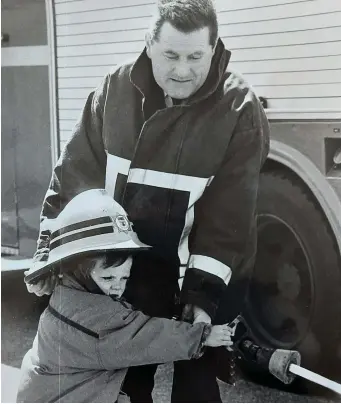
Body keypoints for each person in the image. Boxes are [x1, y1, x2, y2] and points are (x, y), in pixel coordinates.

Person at [26, 0, 270, 401]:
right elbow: (72, 178)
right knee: (123, 385)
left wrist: (202, 297)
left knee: (196, 385)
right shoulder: (114, 89)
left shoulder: (239, 108)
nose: (182, 71)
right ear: (149, 44)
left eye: (196, 57)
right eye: (170, 55)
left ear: (214, 48)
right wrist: (47, 260)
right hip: (127, 275)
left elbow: (231, 220)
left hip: (200, 276)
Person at [17, 190, 233, 403]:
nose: (117, 288)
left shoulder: (68, 294)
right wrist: (201, 336)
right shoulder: (93, 318)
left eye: (124, 278)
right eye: (109, 278)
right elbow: (148, 336)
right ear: (79, 269)